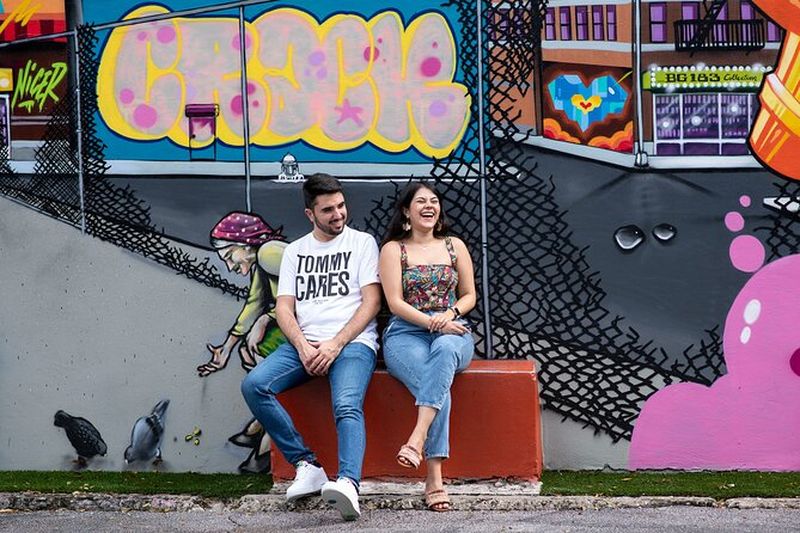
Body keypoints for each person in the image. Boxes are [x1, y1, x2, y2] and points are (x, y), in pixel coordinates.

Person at [241, 173, 381, 521]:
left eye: (341, 206)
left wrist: (336, 344)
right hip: (304, 345)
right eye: (328, 210)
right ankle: (307, 465)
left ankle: (348, 483)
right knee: (254, 385)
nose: (338, 214)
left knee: (346, 404)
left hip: (353, 344)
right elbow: (284, 308)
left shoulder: (362, 243)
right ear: (310, 214)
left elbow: (372, 302)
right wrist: (303, 347)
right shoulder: (295, 252)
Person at [379, 181, 476, 512]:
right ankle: (434, 479)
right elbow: (394, 302)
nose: (429, 206)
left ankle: (416, 439)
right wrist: (432, 322)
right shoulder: (394, 250)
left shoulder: (454, 246)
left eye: (434, 200)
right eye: (420, 201)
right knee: (437, 383)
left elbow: (469, 295)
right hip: (406, 333)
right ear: (406, 211)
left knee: (446, 350)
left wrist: (450, 315)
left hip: (453, 328)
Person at [199, 212, 288, 376]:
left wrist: (265, 319)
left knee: (258, 347)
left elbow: (311, 292)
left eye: (230, 256)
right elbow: (255, 304)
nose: (230, 266)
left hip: (317, 325)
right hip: (303, 322)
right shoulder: (261, 262)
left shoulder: (268, 253)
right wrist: (227, 348)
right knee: (247, 350)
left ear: (245, 244)